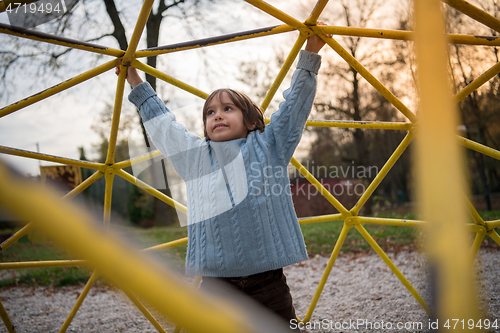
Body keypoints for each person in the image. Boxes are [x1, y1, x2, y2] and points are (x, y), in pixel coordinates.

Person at [119, 23, 330, 330]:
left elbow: (295, 107)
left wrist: (310, 53)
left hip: (268, 282)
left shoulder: (269, 144)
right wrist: (134, 79)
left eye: (227, 108)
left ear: (251, 118)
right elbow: (163, 126)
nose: (217, 114)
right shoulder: (194, 156)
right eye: (209, 112)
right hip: (217, 286)